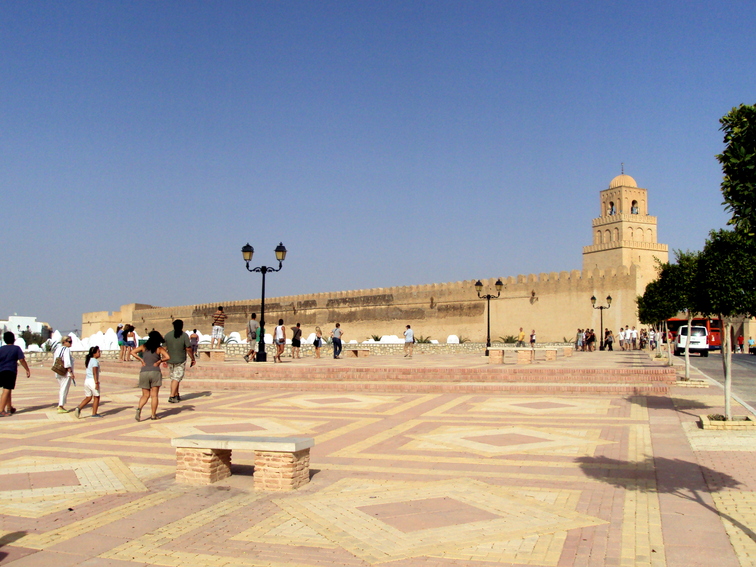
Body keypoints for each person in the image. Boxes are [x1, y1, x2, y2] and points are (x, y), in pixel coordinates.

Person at [131, 331, 169, 421]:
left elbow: (132, 352)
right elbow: (168, 357)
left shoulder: (143, 347)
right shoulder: (159, 348)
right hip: (155, 372)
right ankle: (153, 415)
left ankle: (139, 409)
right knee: (154, 395)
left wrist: (141, 360)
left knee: (145, 395)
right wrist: (159, 361)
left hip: (144, 372)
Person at [164, 319, 195, 403]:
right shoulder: (184, 336)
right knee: (177, 378)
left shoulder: (167, 335)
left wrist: (163, 359)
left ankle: (176, 394)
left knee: (174, 378)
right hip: (180, 360)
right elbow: (188, 348)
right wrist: (192, 358)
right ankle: (172, 396)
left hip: (170, 360)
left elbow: (164, 348)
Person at [0, 331, 31, 417]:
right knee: (7, 390)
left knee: (8, 389)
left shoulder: (1, 349)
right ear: (13, 339)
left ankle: (9, 408)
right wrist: (27, 369)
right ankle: (1, 410)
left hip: (1, 371)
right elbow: (21, 360)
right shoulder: (16, 348)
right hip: (10, 371)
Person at [74, 346, 102, 418]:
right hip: (92, 380)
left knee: (88, 397)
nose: (100, 353)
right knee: (96, 397)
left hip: (87, 381)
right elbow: (95, 373)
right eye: (98, 352)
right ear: (94, 353)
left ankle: (79, 408)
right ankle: (94, 413)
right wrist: (96, 383)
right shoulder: (95, 361)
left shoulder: (89, 360)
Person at [53, 336, 76, 413]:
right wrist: (70, 372)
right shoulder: (66, 350)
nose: (71, 343)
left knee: (62, 388)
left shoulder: (57, 349)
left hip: (58, 371)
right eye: (69, 342)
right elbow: (67, 362)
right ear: (64, 342)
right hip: (65, 372)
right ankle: (61, 406)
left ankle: (61, 404)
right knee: (64, 389)